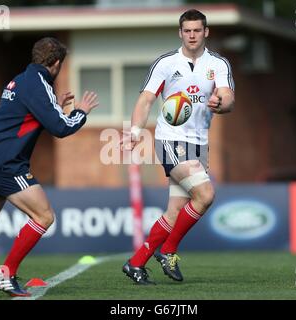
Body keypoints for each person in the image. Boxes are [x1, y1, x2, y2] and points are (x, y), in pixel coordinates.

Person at [0, 37, 98, 296]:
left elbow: (25, 116)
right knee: (44, 216)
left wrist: (55, 107)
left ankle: (6, 272)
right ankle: (6, 273)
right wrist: (81, 111)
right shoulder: (38, 85)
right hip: (8, 163)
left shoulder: (21, 79)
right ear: (57, 63)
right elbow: (61, 128)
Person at [120, 9, 235, 284]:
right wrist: (136, 130)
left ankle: (135, 264)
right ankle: (169, 249)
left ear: (206, 32)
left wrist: (221, 104)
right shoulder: (166, 63)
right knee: (205, 195)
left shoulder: (218, 64)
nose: (192, 35)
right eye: (187, 31)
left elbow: (228, 97)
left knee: (175, 212)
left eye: (197, 30)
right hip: (171, 139)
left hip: (199, 144)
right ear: (180, 33)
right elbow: (146, 99)